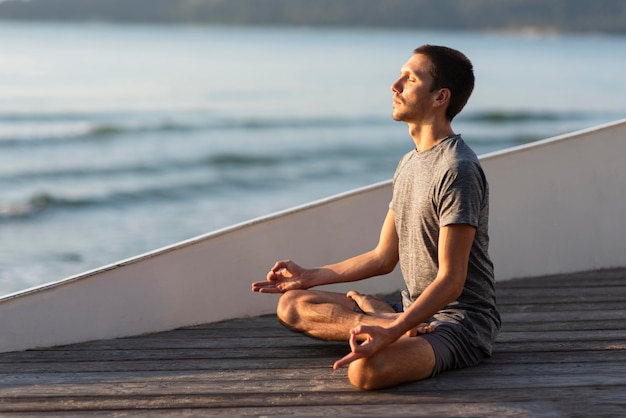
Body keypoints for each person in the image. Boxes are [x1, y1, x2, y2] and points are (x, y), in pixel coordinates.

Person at [251, 44, 501, 390]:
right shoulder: (409, 164)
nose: (394, 85)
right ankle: (394, 320)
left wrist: (391, 330)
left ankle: (394, 325)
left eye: (410, 78)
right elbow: (383, 257)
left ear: (440, 97)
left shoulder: (457, 169)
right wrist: (309, 276)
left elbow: (452, 280)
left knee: (366, 372)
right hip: (410, 308)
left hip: (458, 322)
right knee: (291, 304)